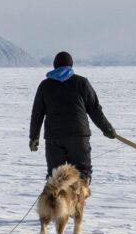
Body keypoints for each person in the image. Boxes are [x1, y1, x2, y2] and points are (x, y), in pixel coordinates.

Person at [29, 50, 116, 183]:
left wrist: (34, 136)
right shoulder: (82, 83)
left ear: (54, 65)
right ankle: (75, 203)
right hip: (78, 137)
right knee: (82, 176)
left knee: (56, 180)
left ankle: (58, 204)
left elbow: (37, 113)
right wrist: (107, 128)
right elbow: (95, 110)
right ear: (71, 65)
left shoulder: (45, 86)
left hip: (54, 138)